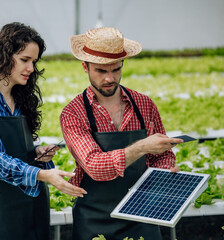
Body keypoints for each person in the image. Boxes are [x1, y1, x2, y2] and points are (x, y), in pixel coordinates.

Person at [0, 22, 86, 240]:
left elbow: (14, 148)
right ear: (4, 56)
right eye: (24, 60)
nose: (31, 68)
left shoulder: (20, 96)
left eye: (33, 62)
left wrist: (36, 154)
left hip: (32, 207)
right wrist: (43, 174)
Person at [59, 27, 183, 240]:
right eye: (101, 71)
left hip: (142, 216)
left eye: (116, 70)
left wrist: (164, 172)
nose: (109, 78)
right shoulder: (74, 113)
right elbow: (95, 166)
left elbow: (161, 155)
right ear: (85, 67)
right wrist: (142, 146)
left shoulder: (144, 104)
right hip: (95, 220)